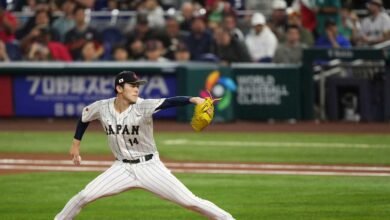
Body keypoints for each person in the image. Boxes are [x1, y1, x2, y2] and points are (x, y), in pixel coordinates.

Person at [54, 71, 235, 220]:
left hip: (150, 167)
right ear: (119, 88)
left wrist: (194, 99)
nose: (136, 89)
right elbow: (84, 118)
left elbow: (169, 102)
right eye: (132, 85)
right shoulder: (102, 107)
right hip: (121, 168)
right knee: (83, 197)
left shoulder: (144, 106)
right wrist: (75, 145)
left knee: (190, 202)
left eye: (138, 86)